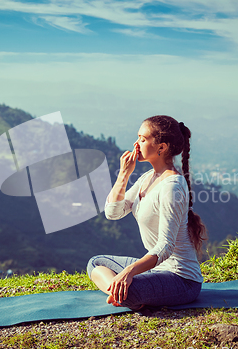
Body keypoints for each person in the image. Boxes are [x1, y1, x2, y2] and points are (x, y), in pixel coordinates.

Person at [86, 115, 207, 311]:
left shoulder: (172, 187)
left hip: (181, 280)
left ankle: (125, 295)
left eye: (142, 139)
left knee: (128, 287)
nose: (136, 144)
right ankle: (120, 294)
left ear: (162, 147)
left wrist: (129, 272)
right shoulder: (148, 178)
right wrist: (123, 174)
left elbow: (165, 247)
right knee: (96, 263)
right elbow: (113, 213)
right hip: (158, 269)